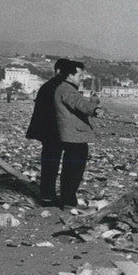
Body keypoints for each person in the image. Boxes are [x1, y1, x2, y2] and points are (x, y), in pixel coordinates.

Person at [26, 59, 101, 209]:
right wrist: (94, 109)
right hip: (55, 132)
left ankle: (48, 196)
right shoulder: (62, 87)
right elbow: (76, 102)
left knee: (51, 165)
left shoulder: (50, 86)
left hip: (51, 131)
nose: (81, 78)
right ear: (66, 73)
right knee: (67, 166)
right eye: (79, 75)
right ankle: (60, 199)